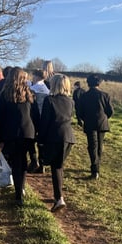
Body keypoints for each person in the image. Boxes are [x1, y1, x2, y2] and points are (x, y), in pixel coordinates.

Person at [0, 67, 37, 206]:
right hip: (27, 132)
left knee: (15, 162)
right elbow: (35, 115)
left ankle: (18, 193)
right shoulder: (30, 94)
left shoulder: (5, 94)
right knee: (22, 162)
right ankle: (21, 188)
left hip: (11, 133)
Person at [37, 74, 76, 212]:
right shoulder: (70, 102)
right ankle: (58, 195)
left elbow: (45, 122)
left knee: (56, 167)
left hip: (54, 137)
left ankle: (59, 198)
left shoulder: (50, 100)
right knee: (59, 166)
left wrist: (40, 140)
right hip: (69, 137)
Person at [77, 74, 113, 179]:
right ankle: (97, 166)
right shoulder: (105, 95)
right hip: (102, 123)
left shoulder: (83, 96)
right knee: (99, 146)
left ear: (88, 83)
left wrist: (85, 119)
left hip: (89, 123)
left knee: (92, 146)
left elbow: (80, 112)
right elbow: (110, 111)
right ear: (99, 83)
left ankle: (94, 169)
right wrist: (104, 118)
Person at [27, 68, 50, 173]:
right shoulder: (46, 89)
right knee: (41, 142)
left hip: (33, 117)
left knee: (31, 140)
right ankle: (42, 164)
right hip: (44, 117)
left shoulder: (33, 88)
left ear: (37, 76)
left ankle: (33, 160)